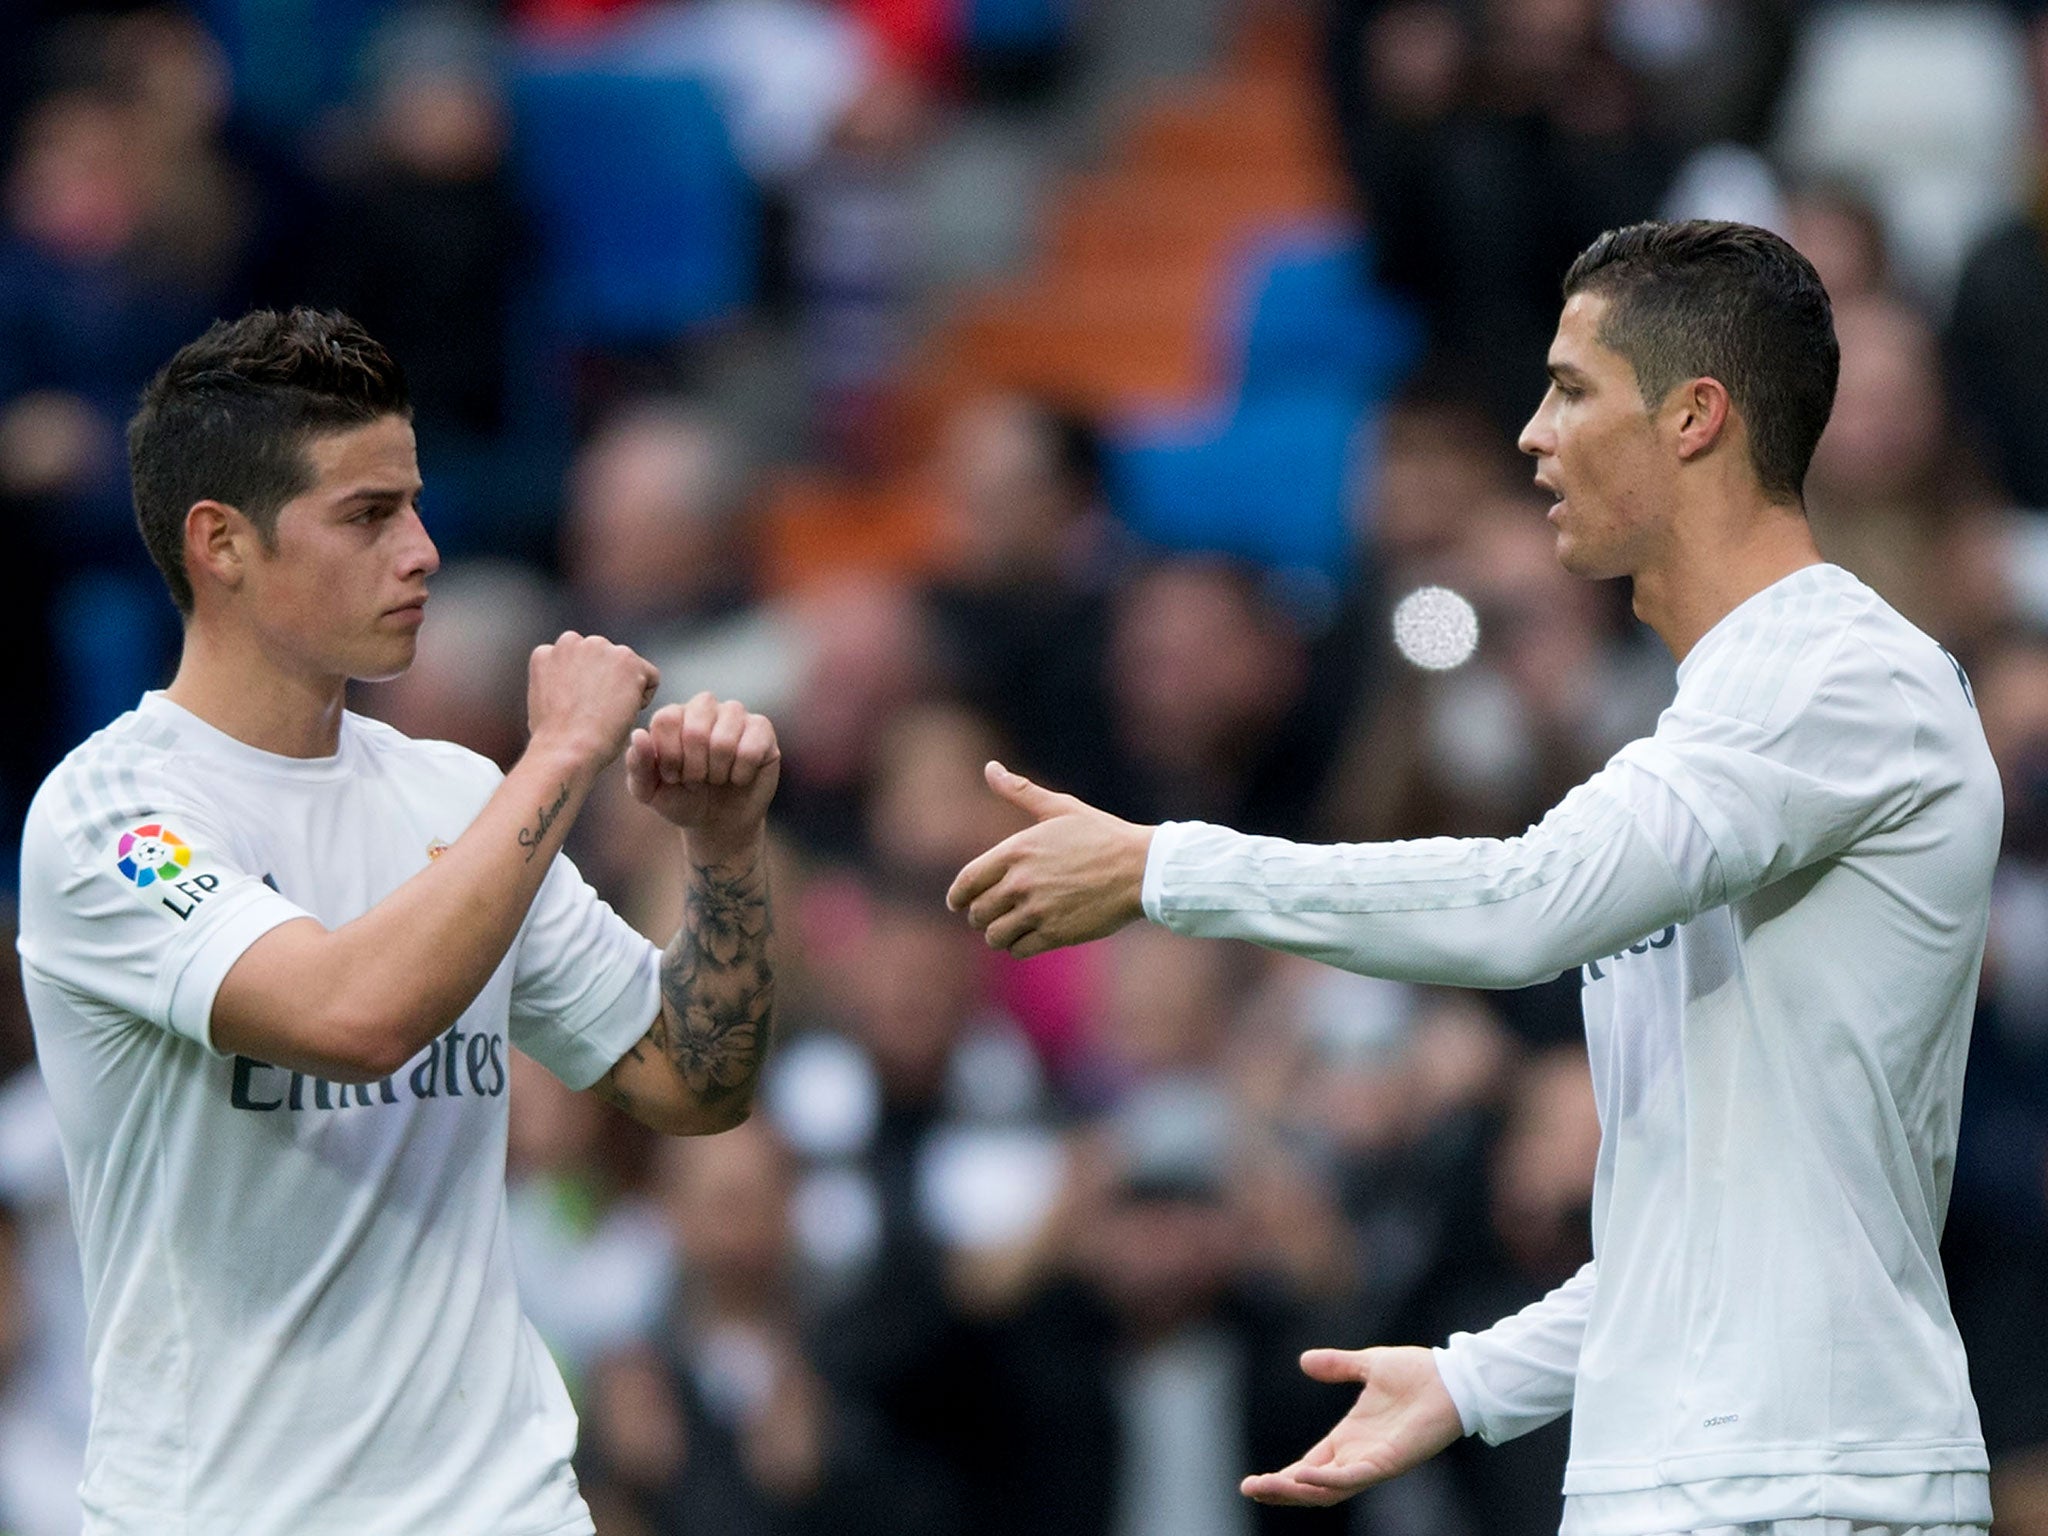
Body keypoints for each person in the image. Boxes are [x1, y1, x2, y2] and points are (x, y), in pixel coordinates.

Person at [947, 220, 2002, 1536]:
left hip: (1807, 1486)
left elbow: (1527, 904)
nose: (1530, 436)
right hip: (1706, 1480)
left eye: (1570, 390)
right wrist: (1472, 1378)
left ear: (1694, 418)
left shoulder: (1838, 676)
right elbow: (1709, 1224)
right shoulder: (1730, 713)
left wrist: (1167, 865)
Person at [15, 309, 780, 1536]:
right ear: (222, 545)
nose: (423, 550)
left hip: (503, 1507)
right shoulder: (111, 817)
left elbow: (694, 1080)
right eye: (368, 517)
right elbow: (351, 1015)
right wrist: (566, 752)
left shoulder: (453, 799)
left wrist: (725, 851)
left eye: (415, 505)